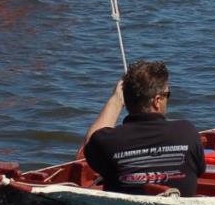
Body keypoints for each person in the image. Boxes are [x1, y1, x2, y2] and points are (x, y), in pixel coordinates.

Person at [82, 60, 206, 196]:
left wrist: (116, 100)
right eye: (167, 94)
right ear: (157, 101)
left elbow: (90, 141)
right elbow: (199, 171)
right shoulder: (187, 132)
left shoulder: (108, 141)